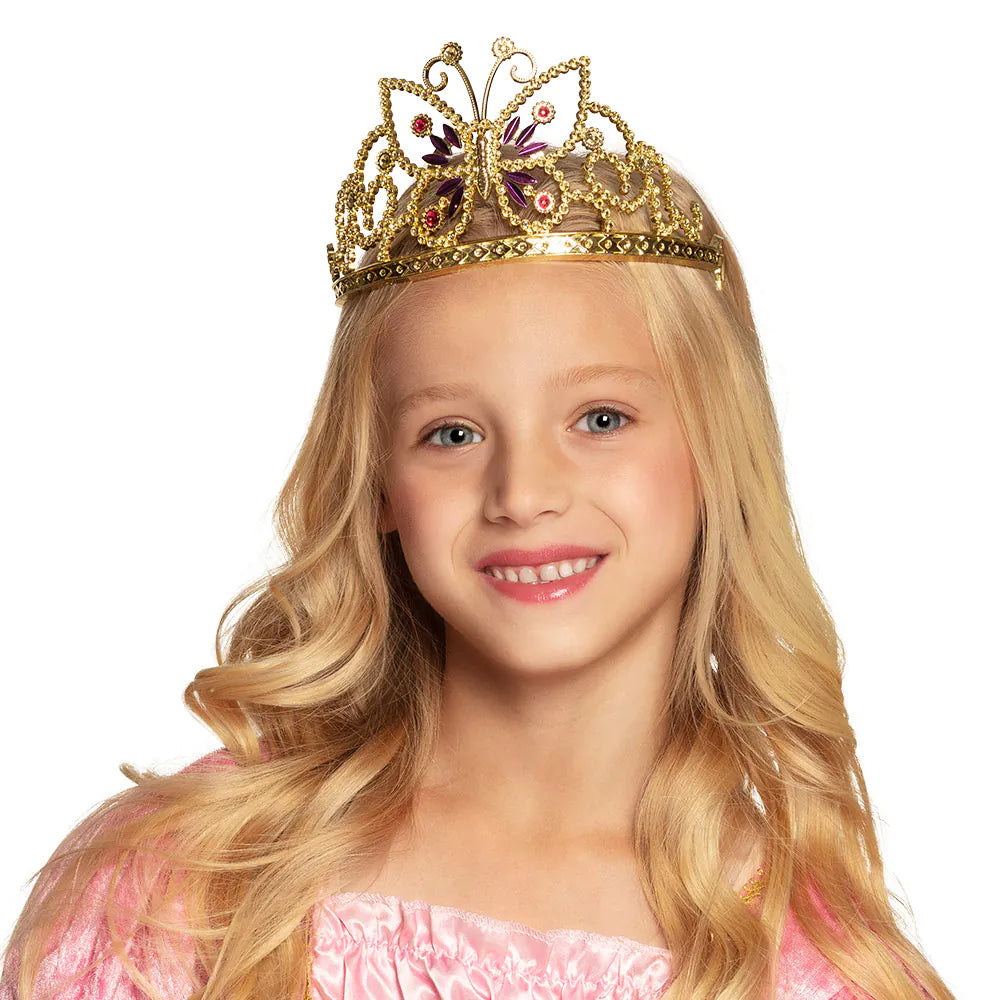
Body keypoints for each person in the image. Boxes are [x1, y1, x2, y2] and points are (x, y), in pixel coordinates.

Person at [0, 37, 954, 1000]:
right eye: (452, 434)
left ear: (715, 447)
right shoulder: (187, 884)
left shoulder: (818, 972)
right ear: (379, 485)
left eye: (600, 419)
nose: (523, 493)